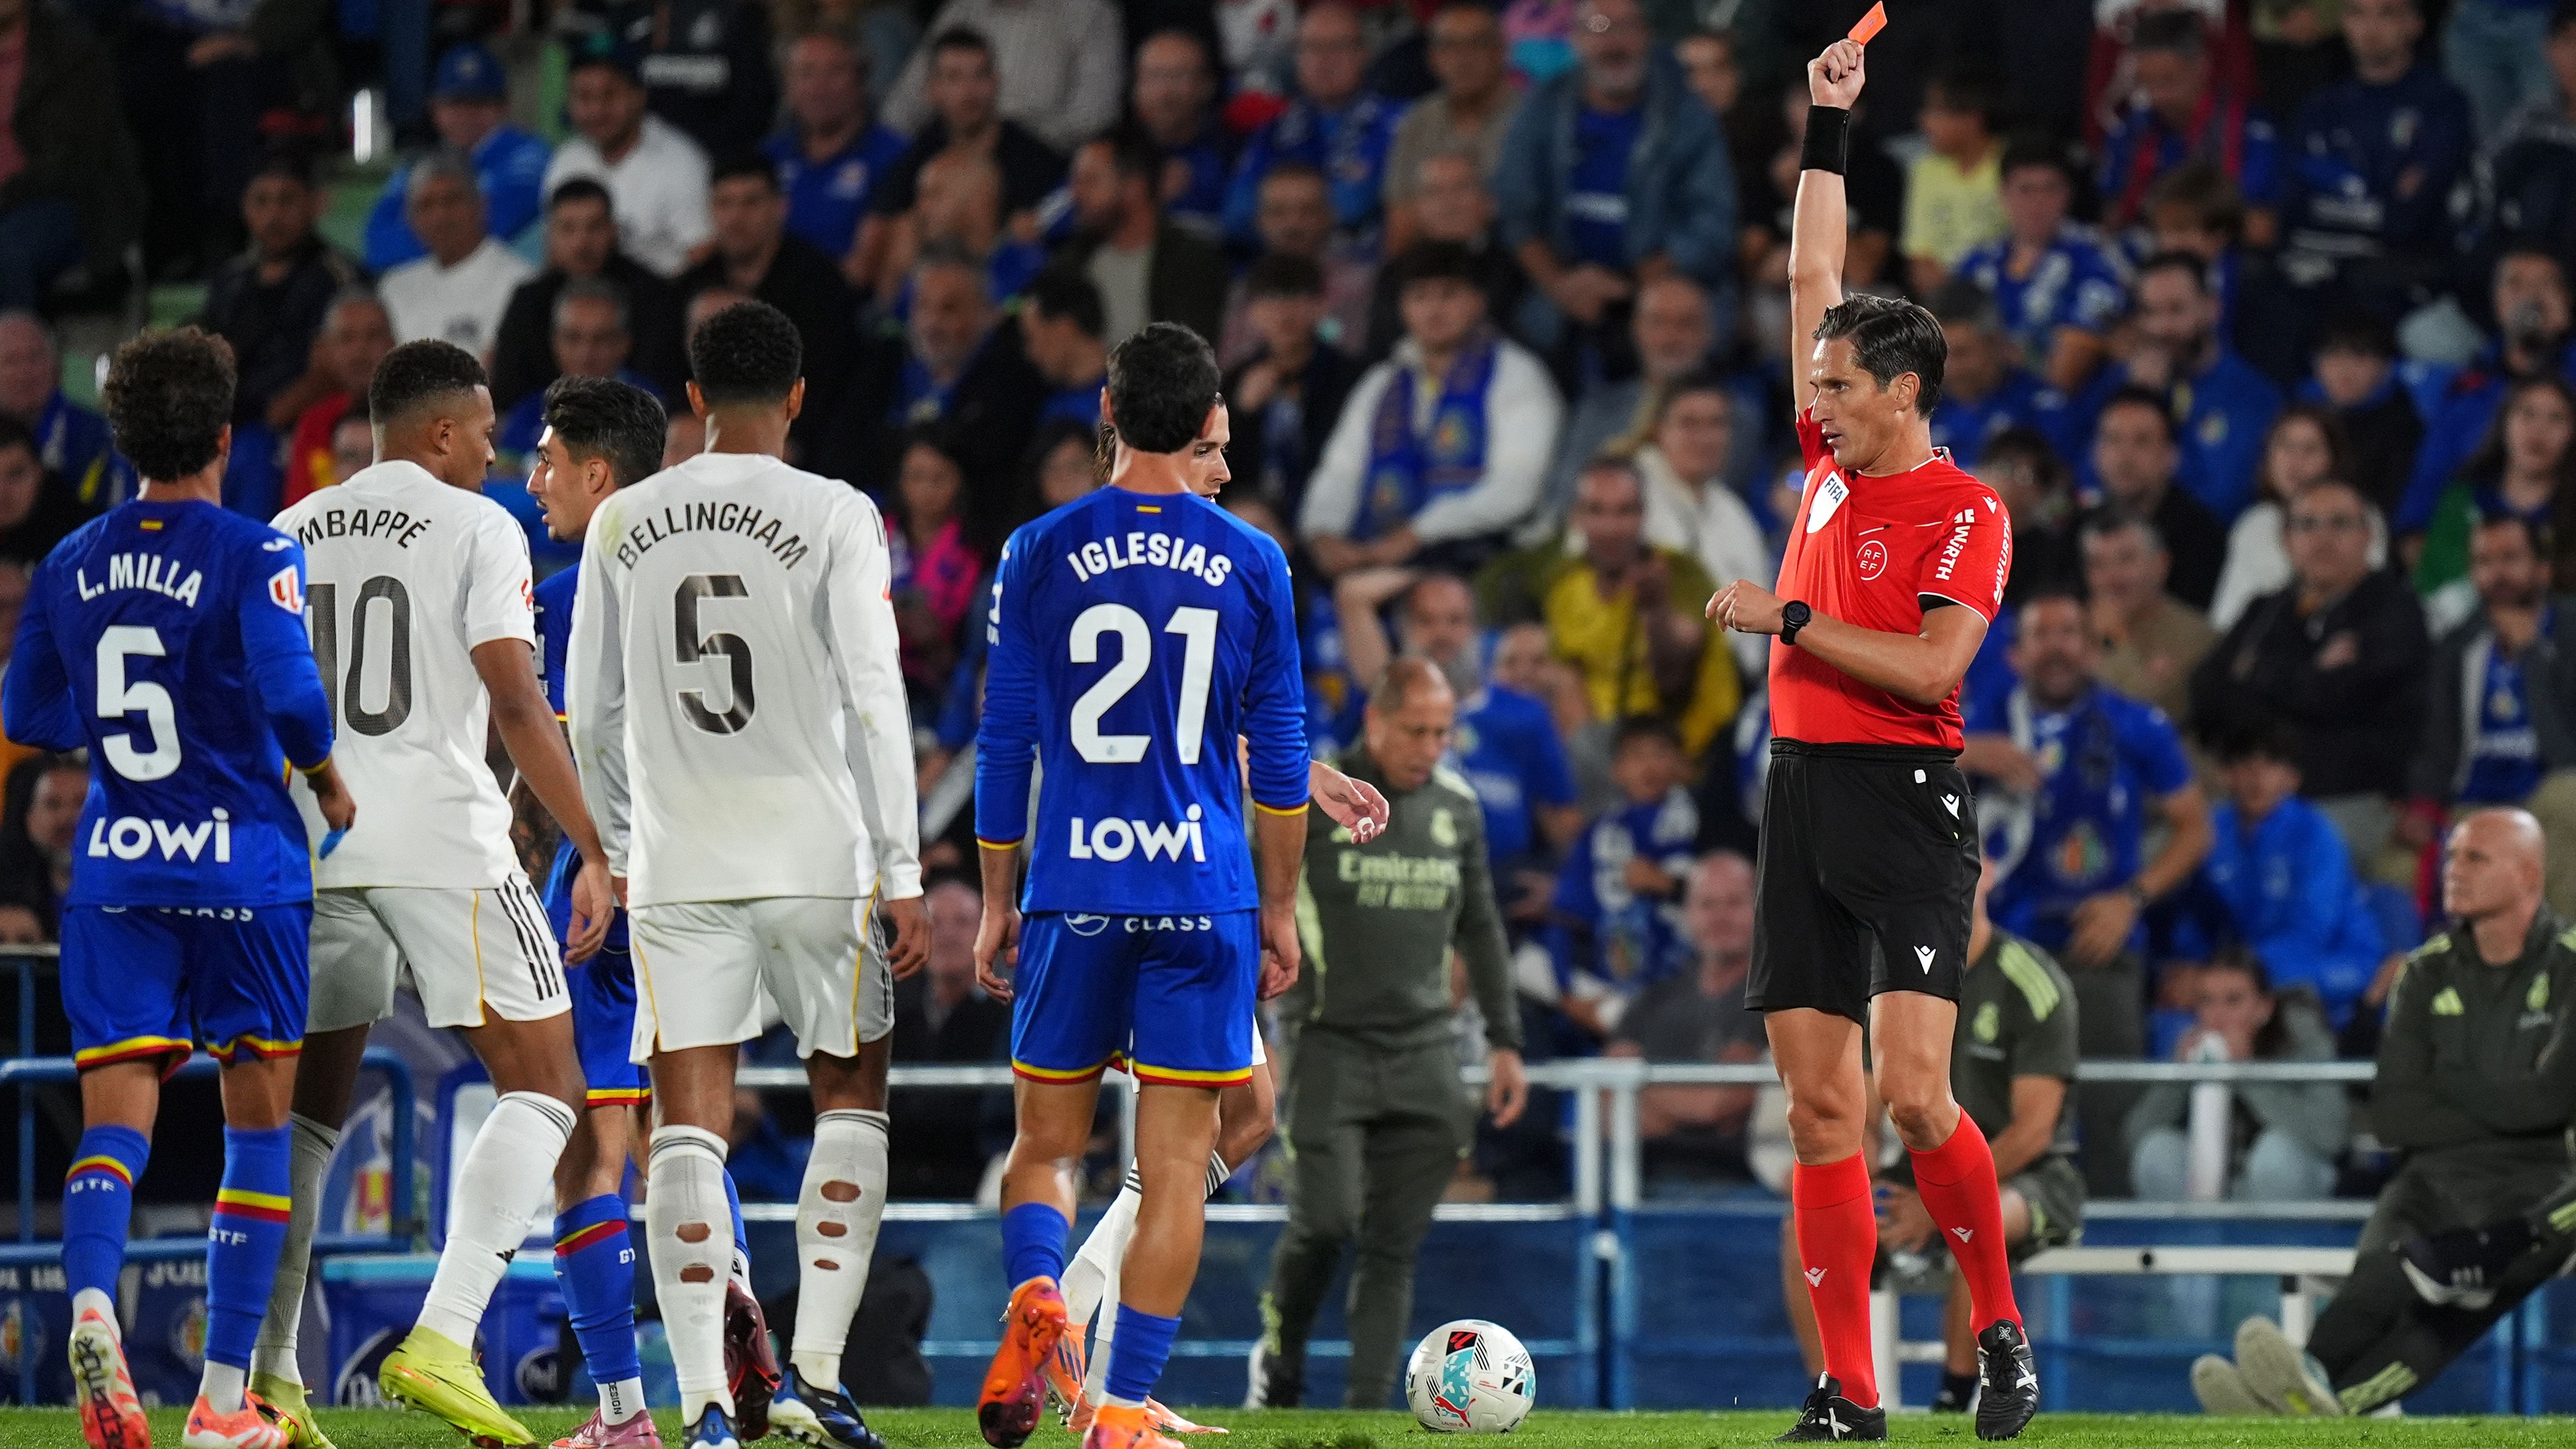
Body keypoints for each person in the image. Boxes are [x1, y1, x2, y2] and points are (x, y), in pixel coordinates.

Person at [1702, 37, 2036, 1442]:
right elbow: (1804, 275)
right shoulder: (1831, 474)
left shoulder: (1965, 513)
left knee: (1911, 1098)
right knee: (1818, 1115)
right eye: (1819, 380)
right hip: (1799, 795)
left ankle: (2000, 1329)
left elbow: (1932, 667)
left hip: (1905, 802)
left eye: (1839, 382)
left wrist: (1786, 624)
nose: (1816, 398)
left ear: (1903, 389)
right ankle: (1848, 1390)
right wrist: (1828, 130)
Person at [566, 300, 927, 1449]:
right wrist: (904, 866)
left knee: (687, 1125)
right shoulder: (835, 511)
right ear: (800, 397)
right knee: (849, 1094)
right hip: (818, 854)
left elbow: (593, 713)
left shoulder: (623, 517)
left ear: (691, 395)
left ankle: (708, 1405)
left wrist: (615, 848)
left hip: (681, 860)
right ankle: (816, 1372)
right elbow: (876, 692)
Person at [251, 341, 616, 1449]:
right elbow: (515, 699)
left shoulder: (294, 527)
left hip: (314, 836)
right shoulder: (480, 526)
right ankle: (446, 1336)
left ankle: (270, 1381)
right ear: (441, 431)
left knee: (307, 1119)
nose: (502, 450)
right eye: (491, 428)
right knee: (552, 1084)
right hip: (441, 837)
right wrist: (596, 845)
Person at [6, 327, 353, 1449]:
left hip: (116, 876)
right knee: (257, 1133)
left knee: (116, 1124)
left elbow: (26, 713)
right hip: (244, 872)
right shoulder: (256, 552)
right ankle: (217, 1397)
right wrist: (328, 778)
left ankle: (94, 1305)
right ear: (222, 432)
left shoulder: (66, 560)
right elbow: (297, 700)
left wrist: (105, 734)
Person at [969, 321, 1309, 1449]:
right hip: (1202, 893)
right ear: (1211, 421)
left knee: (1048, 1143)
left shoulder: (1038, 548)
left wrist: (997, 893)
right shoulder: (1255, 560)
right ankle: (1118, 1409)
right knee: (1172, 1166)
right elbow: (1287, 765)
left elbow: (1005, 738)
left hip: (1074, 885)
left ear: (1106, 412)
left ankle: (1038, 1301)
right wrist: (1274, 907)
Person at [2193, 808, 2575, 1418]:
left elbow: (2551, 1102)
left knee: (2444, 1294)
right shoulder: (2422, 972)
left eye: (2474, 857)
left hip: (2530, 1184)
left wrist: (2448, 1085)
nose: (2453, 870)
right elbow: (2394, 1116)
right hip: (2427, 1173)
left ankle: (2305, 1400)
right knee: (2381, 1273)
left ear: (2528, 874)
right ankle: (2307, 1393)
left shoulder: (2569, 963)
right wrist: (2511, 1095)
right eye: (2450, 856)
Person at [1250, 656, 1527, 1408]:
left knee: (1393, 1246)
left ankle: (1366, 1410)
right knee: (1325, 1221)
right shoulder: (1307, 798)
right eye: (1415, 730)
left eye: (1441, 732)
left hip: (1427, 1051)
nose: (1429, 747)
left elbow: (1480, 925)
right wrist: (1250, 1030)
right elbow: (1254, 909)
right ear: (1374, 722)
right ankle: (1279, 1353)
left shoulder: (1456, 808)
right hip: (1328, 1043)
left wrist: (1504, 1039)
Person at [1782, 857, 2081, 1419]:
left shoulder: (2031, 981)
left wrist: (1933, 1204)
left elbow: (2034, 1128)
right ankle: (1836, 1390)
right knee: (1797, 1230)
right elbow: (1863, 1107)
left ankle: (1958, 1394)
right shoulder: (1888, 975)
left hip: (2036, 1171)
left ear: (1987, 873)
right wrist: (1856, 1162)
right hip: (1916, 1163)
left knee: (1985, 1204)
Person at [1961, 587, 2211, 1186]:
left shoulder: (2135, 723)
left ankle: (2109, 1265)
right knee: (1983, 1109)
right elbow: (1889, 776)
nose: (2057, 648)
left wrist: (2132, 899)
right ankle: (1979, 1256)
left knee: (2105, 1115)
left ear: (2092, 649)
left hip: (2097, 943)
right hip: (1999, 944)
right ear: (2015, 654)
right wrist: (1963, 752)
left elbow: (2196, 829)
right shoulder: (1977, 719)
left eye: (2070, 633)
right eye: (2041, 634)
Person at [2193, 479, 2432, 866]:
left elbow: (2346, 699)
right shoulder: (2264, 610)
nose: (2322, 538)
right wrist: (2309, 675)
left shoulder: (2395, 610)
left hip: (2350, 796)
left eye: (2339, 524)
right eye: (2307, 525)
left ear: (2367, 536)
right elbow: (2207, 695)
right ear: (2286, 539)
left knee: (2288, 861)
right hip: (2251, 792)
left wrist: (2257, 674)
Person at [1300, 243, 1563, 578]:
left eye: (1448, 295)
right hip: (1379, 552)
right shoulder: (1381, 383)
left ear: (1479, 301)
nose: (1434, 311)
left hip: (1483, 554)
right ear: (1402, 308)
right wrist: (1324, 534)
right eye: (1420, 297)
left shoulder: (1517, 375)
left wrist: (1420, 533)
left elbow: (1516, 490)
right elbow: (1340, 473)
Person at [1493, 0, 1735, 348]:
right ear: (1575, 39)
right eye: (1599, 28)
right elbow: (1515, 208)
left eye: (1626, 28)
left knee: (1690, 323)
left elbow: (1712, 225)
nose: (1613, 43)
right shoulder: (1541, 106)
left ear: (1647, 37)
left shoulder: (1686, 113)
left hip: (1659, 282)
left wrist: (1629, 281)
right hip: (1558, 282)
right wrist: (1561, 285)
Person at [2189, 725, 2391, 1026]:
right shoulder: (2210, 831)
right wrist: (2192, 969)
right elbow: (2193, 918)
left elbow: (2312, 931)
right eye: (2246, 766)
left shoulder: (2316, 834)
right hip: (2243, 970)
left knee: (2282, 1007)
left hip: (2333, 960)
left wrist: (2237, 973)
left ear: (2291, 779)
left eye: (2270, 766)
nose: (2257, 778)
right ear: (2226, 775)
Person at [858, 29, 1068, 296]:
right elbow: (882, 223)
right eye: (954, 78)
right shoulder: (919, 155)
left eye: (980, 76)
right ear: (932, 90)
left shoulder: (1035, 161)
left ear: (996, 82)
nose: (969, 92)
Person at [2125, 951, 2347, 1202]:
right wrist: (2181, 1076)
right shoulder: (2194, 1044)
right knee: (2157, 1151)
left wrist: (2247, 1073)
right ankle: (2190, 1240)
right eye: (2207, 1001)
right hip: (2214, 1188)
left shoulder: (2303, 1038)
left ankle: (2281, 1242)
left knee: (2275, 1154)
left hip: (2286, 1181)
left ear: (2264, 1008)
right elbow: (2136, 1138)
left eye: (2233, 1001)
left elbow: (2331, 1136)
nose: (2217, 1017)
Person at [2277, 0, 2470, 287]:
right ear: (2344, 22)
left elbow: (2410, 216)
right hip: (2313, 265)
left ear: (2414, 24)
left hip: (2401, 273)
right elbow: (2293, 203)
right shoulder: (2320, 107)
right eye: (2357, 13)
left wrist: (2335, 205)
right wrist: (2375, 204)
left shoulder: (2441, 105)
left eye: (2387, 13)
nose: (2370, 27)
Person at [2085, 251, 2283, 523]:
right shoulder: (2120, 384)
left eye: (2176, 309)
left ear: (2212, 309)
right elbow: (2087, 484)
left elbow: (2223, 501)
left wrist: (2155, 412)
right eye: (2150, 312)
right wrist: (2140, 398)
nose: (2162, 328)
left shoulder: (2253, 397)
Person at [1606, 851, 1766, 1185]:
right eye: (1707, 905)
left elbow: (1718, 1104)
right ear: (1688, 914)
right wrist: (1690, 1100)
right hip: (1644, 1186)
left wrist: (1639, 1084)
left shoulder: (1776, 1000)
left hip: (1741, 1186)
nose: (1720, 918)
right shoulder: (1652, 1000)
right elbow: (1608, 1106)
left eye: (1735, 903)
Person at [2396, 247, 2576, 537]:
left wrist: (2557, 340)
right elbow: (2430, 477)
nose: (2530, 297)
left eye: (2544, 285)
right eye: (2516, 284)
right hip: (2475, 549)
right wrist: (2414, 538)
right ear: (2498, 300)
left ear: (2566, 301)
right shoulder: (2468, 388)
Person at [678, 156, 862, 438]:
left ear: (781, 207)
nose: (736, 217)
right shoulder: (690, 284)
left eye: (751, 203)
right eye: (724, 203)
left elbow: (833, 381)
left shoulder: (822, 287)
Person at [1548, 716, 1705, 1035]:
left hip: (1697, 987)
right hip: (1612, 991)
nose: (1649, 766)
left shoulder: (1709, 826)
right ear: (1616, 770)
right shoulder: (1597, 835)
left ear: (1682, 765)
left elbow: (1744, 904)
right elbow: (1568, 917)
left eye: (1660, 753)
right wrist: (1567, 993)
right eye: (1636, 755)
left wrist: (1669, 885)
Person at [2414, 513, 2576, 817]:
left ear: (2543, 569)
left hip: (2553, 800)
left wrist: (2532, 655)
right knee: (2395, 862)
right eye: (2484, 562)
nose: (2497, 573)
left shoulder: (2569, 633)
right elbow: (2438, 742)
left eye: (2510, 558)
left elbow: (2567, 757)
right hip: (2472, 805)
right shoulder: (2458, 645)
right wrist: (2424, 802)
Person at [198, 152, 364, 436]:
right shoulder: (231, 280)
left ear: (314, 204)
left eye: (287, 201)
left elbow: (336, 372)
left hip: (308, 431)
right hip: (232, 432)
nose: (274, 216)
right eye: (261, 202)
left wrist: (266, 425)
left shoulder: (340, 279)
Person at [493, 180, 688, 412]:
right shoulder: (528, 301)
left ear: (613, 230)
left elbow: (668, 385)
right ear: (550, 235)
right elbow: (508, 392)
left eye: (593, 227)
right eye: (568, 229)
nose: (582, 243)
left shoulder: (654, 295)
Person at [1954, 139, 2129, 393]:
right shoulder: (1974, 263)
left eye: (2051, 189)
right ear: (2003, 195)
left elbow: (2064, 373)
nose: (2039, 202)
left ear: (2069, 194)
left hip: (2056, 413)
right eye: (2026, 190)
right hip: (1974, 409)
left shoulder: (2096, 260)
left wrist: (1987, 351)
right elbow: (1948, 359)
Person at [1221, 2, 1403, 246]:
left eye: (1338, 47)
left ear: (1363, 54)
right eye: (1311, 47)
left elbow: (1359, 207)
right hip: (1285, 269)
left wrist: (1281, 211)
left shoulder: (1398, 123)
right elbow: (1237, 213)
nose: (1323, 59)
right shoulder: (1275, 130)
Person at [1626, 374, 1772, 674]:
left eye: (1717, 424)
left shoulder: (1734, 512)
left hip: (1730, 683)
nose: (1705, 438)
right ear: (1658, 430)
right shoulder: (1625, 491)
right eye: (1689, 424)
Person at [363, 43, 553, 273]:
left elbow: (492, 227)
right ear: (435, 110)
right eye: (455, 103)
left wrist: (423, 236)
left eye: (479, 103)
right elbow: (378, 242)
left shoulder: (530, 154)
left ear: (504, 107)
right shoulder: (418, 164)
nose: (466, 115)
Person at [1540, 273, 1713, 521]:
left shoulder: (1738, 418)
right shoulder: (1598, 409)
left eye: (1686, 324)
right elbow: (1560, 497)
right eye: (1658, 323)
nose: (1670, 338)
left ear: (1708, 332)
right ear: (1636, 328)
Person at [2097, 9, 2282, 240]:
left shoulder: (2248, 130)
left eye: (2169, 81)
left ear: (2202, 67)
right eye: (2148, 83)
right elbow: (2113, 219)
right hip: (2146, 257)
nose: (2158, 96)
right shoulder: (2134, 129)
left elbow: (2260, 229)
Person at [543, 42, 715, 280]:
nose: (596, 110)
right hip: (583, 301)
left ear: (638, 96)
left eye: (609, 95)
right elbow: (554, 255)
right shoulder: (567, 160)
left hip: (660, 302)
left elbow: (704, 257)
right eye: (584, 97)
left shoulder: (681, 162)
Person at [2210, 405, 2380, 631]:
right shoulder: (2255, 523)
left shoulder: (2359, 517)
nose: (2295, 461)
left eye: (2310, 450)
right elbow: (2226, 618)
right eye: (2285, 446)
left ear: (2334, 459)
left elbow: (2366, 603)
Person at [1058, 129, 1229, 348]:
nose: (1075, 193)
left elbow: (1193, 357)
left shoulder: (1192, 261)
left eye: (1090, 181)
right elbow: (1017, 308)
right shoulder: (1075, 258)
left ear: (1135, 187)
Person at [880, 0, 1124, 153]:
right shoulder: (961, 9)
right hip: (954, 153)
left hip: (1046, 162)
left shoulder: (1090, 12)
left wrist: (1007, 141)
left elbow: (1095, 116)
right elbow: (906, 104)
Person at [2414, 375, 2576, 596]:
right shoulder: (2462, 502)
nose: (2539, 430)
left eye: (2556, 418)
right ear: (2504, 423)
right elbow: (2431, 586)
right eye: (2527, 413)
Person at [1221, 254, 1354, 517]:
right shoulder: (1237, 379)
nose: (1284, 312)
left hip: (1328, 510)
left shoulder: (1349, 375)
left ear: (1321, 305)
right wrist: (1241, 412)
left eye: (1297, 297)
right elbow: (1214, 468)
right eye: (1271, 299)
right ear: (1252, 312)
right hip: (1253, 510)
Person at [765, 29, 908, 270]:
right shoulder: (771, 155)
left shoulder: (894, 156)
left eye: (835, 72)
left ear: (861, 81)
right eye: (806, 73)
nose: (820, 88)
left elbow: (872, 266)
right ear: (788, 86)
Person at [1383, 2, 1519, 254]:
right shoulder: (1418, 120)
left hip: (1511, 262)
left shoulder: (1530, 118)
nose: (1463, 58)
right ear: (1433, 59)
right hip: (1434, 262)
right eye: (1450, 46)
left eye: (1476, 44)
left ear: (1501, 51)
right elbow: (1401, 219)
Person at [378, 154, 538, 360]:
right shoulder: (394, 288)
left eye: (452, 200)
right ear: (412, 219)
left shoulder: (521, 284)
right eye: (427, 205)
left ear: (481, 206)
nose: (440, 216)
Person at [1216, 164, 1376, 368]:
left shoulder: (1359, 285)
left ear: (1330, 216)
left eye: (1307, 211)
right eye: (1278, 212)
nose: (1293, 224)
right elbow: (1228, 367)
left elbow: (1353, 354)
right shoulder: (1244, 290)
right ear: (1259, 221)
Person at [2087, 387, 2229, 611]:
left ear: (2171, 456)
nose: (2124, 457)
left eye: (2141, 442)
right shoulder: (2078, 526)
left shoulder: (2201, 536)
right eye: (2113, 440)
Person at [2082, 510, 2217, 728]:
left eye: (2126, 559)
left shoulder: (2197, 638)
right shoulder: (2072, 629)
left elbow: (2145, 718)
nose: (2112, 577)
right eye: (2098, 564)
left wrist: (2117, 639)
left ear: (2161, 564)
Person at [1924, 282, 2070, 468]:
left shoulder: (2041, 408)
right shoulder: (1923, 411)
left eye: (1961, 353)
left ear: (1996, 344)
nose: (1949, 368)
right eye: (1938, 356)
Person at [0, 313, 130, 511]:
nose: (24, 372)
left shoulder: (100, 439)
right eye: (11, 361)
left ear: (56, 366)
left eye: (35, 357)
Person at [279, 292, 396, 509]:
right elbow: (301, 512)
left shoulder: (420, 419)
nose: (360, 352)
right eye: (346, 338)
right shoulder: (313, 424)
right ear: (326, 350)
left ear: (393, 343)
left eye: (373, 336)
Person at [2304, 312, 2424, 521]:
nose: (2344, 369)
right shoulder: (2303, 417)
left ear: (2385, 365)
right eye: (2333, 355)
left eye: (2359, 356)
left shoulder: (2404, 431)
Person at [1901, 70, 2007, 297]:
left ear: (1972, 118)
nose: (1924, 121)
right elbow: (1919, 258)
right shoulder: (1925, 170)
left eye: (1936, 112)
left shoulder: (2010, 167)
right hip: (1941, 301)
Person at [1127, 30, 1230, 238]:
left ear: (1207, 85)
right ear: (1137, 87)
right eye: (1155, 76)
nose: (1166, 92)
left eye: (1180, 76)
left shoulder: (1234, 152)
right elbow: (1049, 221)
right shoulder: (1113, 153)